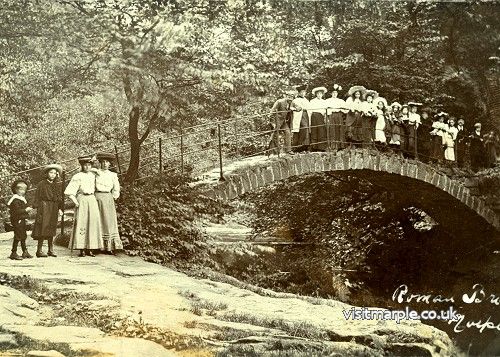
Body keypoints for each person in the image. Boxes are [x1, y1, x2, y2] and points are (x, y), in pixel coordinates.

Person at [65, 155, 103, 257]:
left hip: (92, 199)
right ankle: (81, 248)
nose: (87, 167)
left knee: (92, 223)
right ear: (82, 166)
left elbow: (100, 172)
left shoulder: (93, 175)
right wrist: (75, 202)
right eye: (85, 165)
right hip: (82, 199)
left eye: (89, 165)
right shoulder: (77, 176)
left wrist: (94, 167)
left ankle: (90, 248)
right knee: (82, 222)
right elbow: (69, 192)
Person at [32, 164, 63, 258]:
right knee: (42, 227)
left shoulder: (57, 184)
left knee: (52, 227)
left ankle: (50, 249)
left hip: (54, 206)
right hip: (44, 207)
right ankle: (39, 250)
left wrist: (60, 208)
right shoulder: (41, 184)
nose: (52, 175)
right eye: (51, 172)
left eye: (54, 173)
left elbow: (59, 197)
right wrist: (37, 206)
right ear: (47, 173)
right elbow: (37, 196)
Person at [95, 152, 123, 255]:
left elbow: (116, 188)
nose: (105, 164)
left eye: (107, 162)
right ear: (99, 163)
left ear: (110, 164)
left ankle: (109, 246)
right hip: (97, 198)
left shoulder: (113, 175)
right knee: (97, 221)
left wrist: (113, 197)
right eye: (102, 162)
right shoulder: (96, 173)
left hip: (108, 198)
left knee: (108, 221)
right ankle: (96, 246)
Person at [8, 180, 33, 260]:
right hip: (17, 220)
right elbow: (16, 211)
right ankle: (13, 252)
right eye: (20, 189)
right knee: (18, 236)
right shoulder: (15, 200)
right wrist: (26, 210)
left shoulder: (21, 199)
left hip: (21, 220)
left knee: (23, 235)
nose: (22, 191)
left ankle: (24, 251)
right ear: (15, 190)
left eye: (24, 190)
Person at [268, 90, 294, 155]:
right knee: (274, 136)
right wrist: (273, 123)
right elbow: (272, 112)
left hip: (283, 122)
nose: (290, 98)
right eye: (289, 96)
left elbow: (299, 108)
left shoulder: (291, 103)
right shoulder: (280, 102)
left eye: (292, 97)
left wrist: (295, 108)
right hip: (277, 121)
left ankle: (288, 150)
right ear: (286, 96)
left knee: (288, 132)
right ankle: (271, 151)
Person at [325, 84, 347, 150]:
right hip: (332, 115)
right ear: (331, 93)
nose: (334, 94)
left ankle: (340, 145)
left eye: (336, 93)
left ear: (337, 93)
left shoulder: (340, 101)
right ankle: (333, 145)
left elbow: (345, 109)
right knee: (332, 129)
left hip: (339, 115)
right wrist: (328, 115)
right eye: (333, 93)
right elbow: (326, 109)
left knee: (339, 128)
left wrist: (341, 109)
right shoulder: (328, 100)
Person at [290, 85, 310, 152]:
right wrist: (296, 109)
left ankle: (304, 147)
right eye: (302, 92)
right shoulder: (295, 100)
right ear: (299, 93)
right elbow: (291, 107)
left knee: (306, 130)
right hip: (299, 116)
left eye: (304, 92)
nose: (303, 93)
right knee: (302, 129)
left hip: (306, 115)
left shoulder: (306, 100)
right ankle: (297, 147)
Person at [308, 86, 328, 151]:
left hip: (321, 116)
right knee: (314, 130)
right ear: (316, 94)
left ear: (322, 94)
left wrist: (325, 117)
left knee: (321, 130)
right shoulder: (312, 101)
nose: (319, 95)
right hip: (314, 116)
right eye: (318, 94)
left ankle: (321, 147)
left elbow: (325, 111)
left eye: (320, 94)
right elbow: (310, 110)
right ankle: (314, 147)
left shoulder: (324, 102)